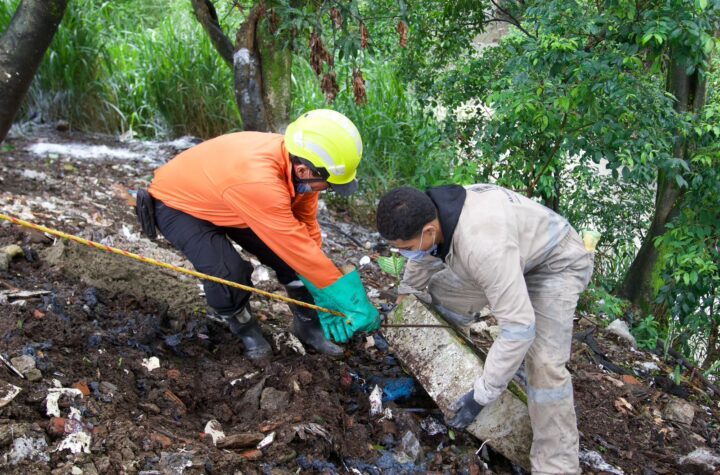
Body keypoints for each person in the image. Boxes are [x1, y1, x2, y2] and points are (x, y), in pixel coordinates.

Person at [376, 184, 593, 474]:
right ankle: (439, 380)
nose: (404, 255)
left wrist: (483, 394)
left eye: (404, 249)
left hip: (554, 263)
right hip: (508, 254)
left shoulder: (482, 247)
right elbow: (424, 257)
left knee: (544, 365)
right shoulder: (433, 211)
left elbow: (519, 328)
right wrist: (408, 291)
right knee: (442, 297)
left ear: (429, 231)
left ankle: (556, 465)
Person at [137, 109, 380, 361]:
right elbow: (293, 244)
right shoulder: (260, 181)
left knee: (293, 262)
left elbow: (305, 229)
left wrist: (322, 290)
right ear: (305, 170)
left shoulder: (303, 170)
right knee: (228, 273)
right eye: (329, 185)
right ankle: (246, 329)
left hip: (227, 197)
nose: (327, 189)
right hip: (178, 204)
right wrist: (345, 296)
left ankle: (309, 326)